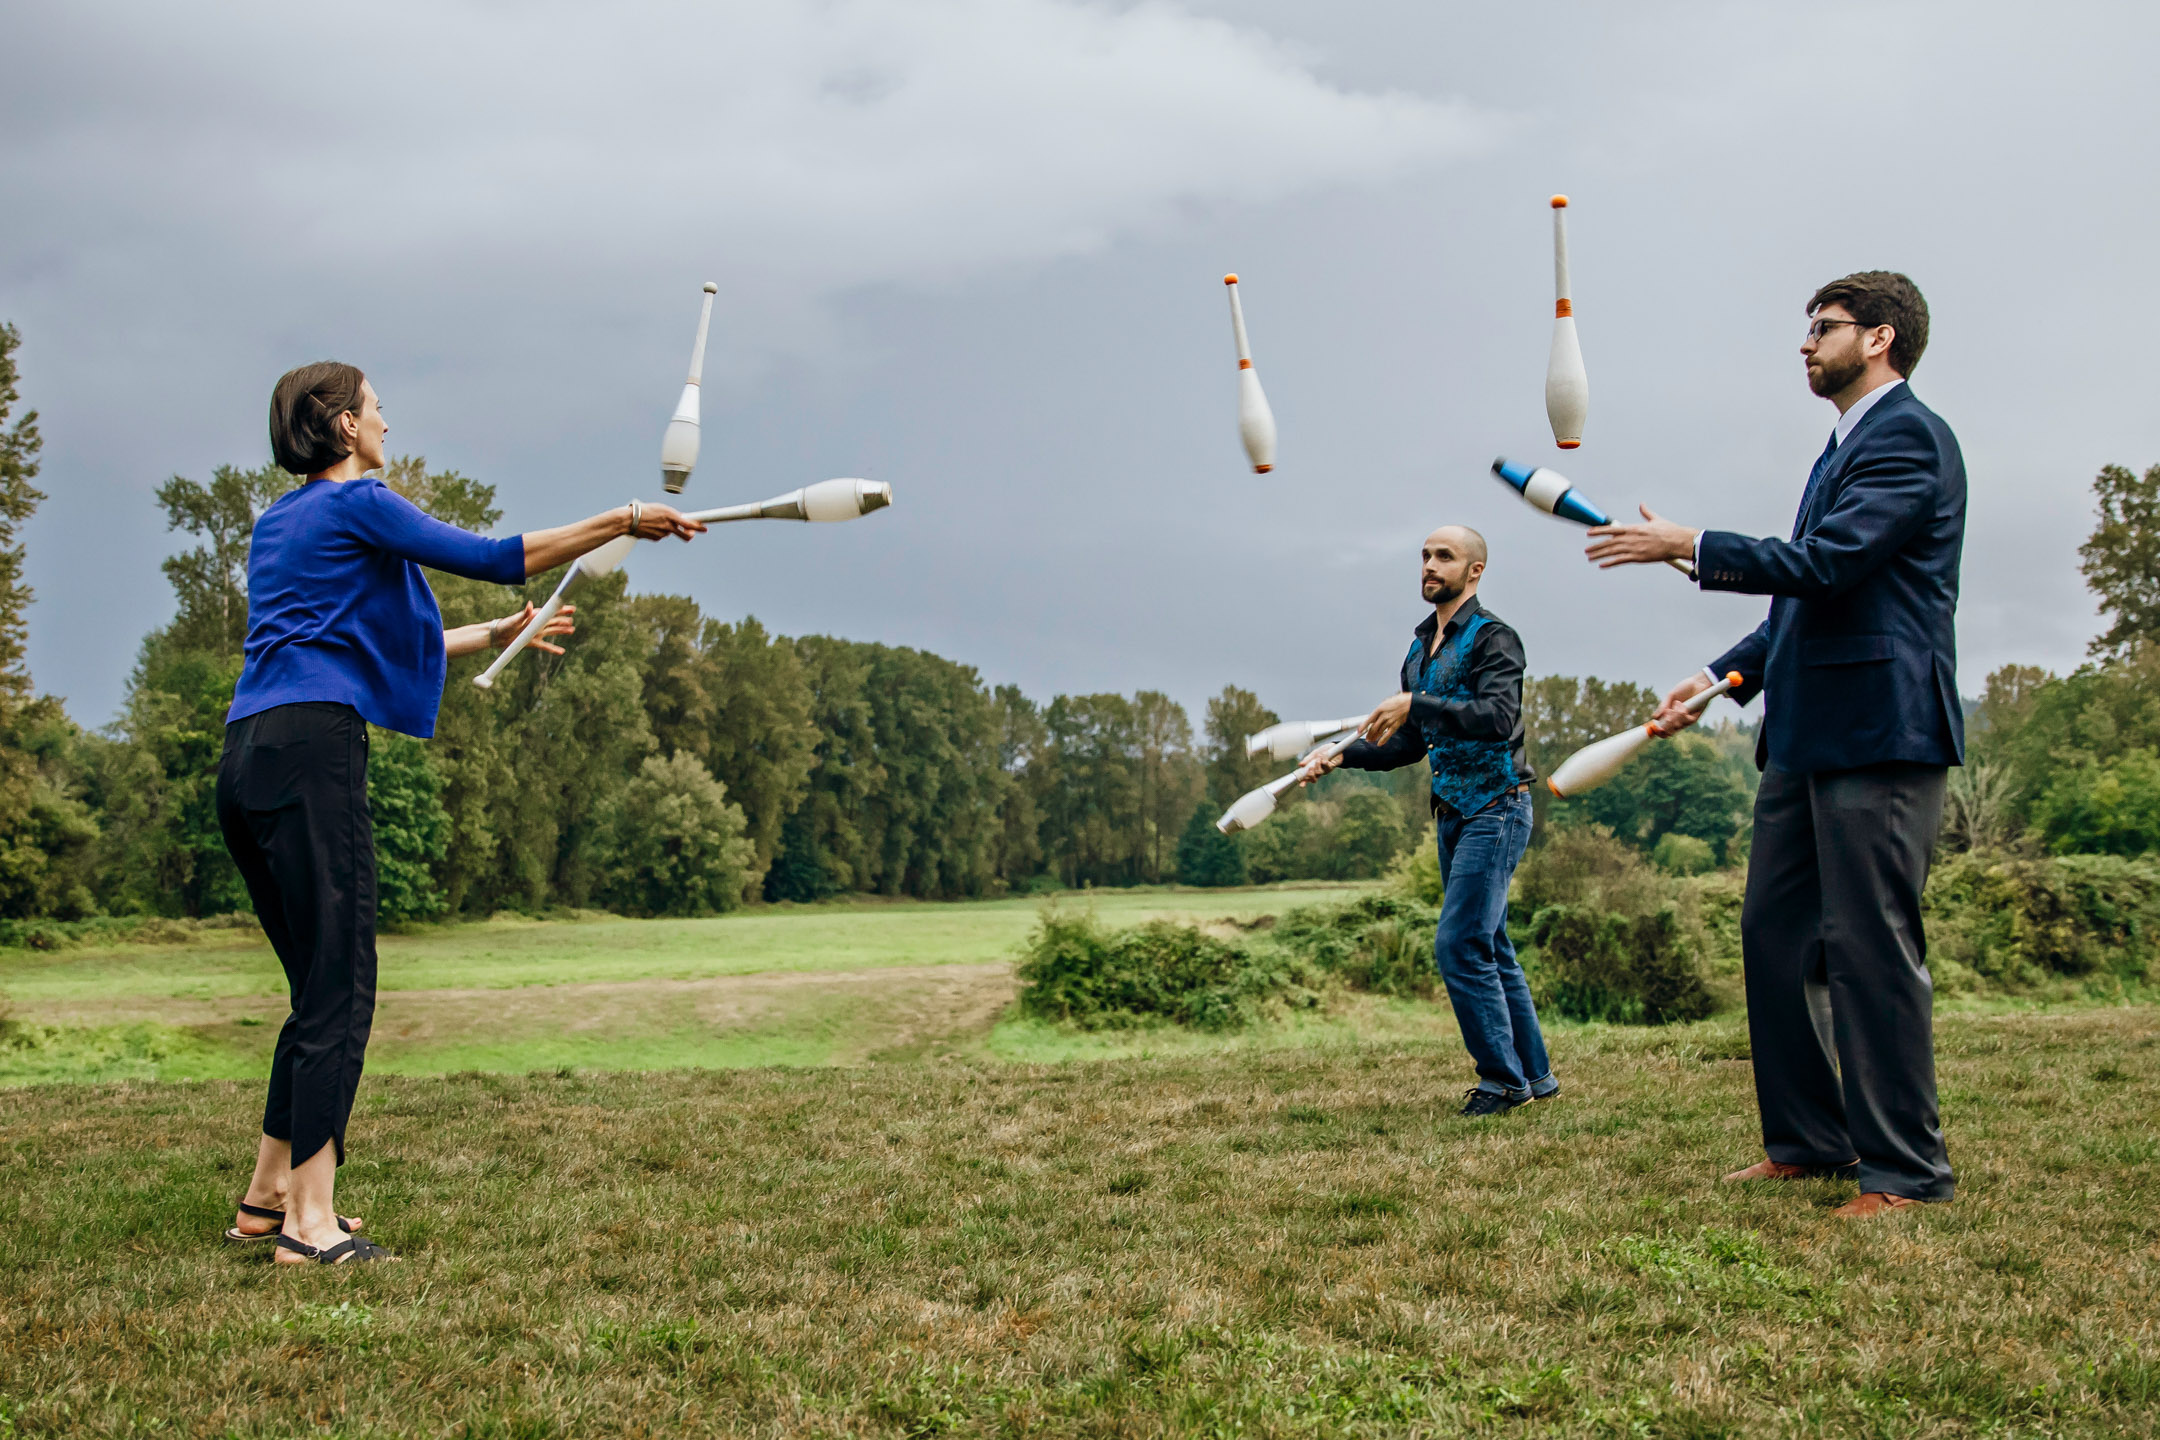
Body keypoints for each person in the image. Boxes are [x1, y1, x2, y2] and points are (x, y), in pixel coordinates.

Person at [219, 361, 706, 1264]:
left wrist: (494, 635)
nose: (385, 425)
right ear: (340, 429)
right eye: (374, 410)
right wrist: (623, 519)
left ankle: (264, 1198)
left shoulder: (278, 524)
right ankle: (309, 1226)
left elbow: (350, 643)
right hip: (313, 754)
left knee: (311, 989)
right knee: (341, 988)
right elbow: (493, 556)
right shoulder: (358, 503)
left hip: (248, 758)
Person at [1583, 271, 1963, 1218]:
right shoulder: (1844, 446)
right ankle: (1810, 1139)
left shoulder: (1909, 437)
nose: (1805, 344)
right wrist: (1722, 678)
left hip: (1880, 729)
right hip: (1804, 732)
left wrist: (1691, 541)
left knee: (1870, 947)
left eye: (1823, 329)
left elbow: (1832, 566)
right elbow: (1806, 599)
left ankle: (1906, 1173)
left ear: (1878, 340)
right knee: (1775, 934)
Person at [1300, 525, 1555, 1116]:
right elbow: (1409, 744)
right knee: (1491, 943)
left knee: (1459, 944)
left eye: (1445, 556)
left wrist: (1415, 703)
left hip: (1498, 805)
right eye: (1424, 556)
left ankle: (1501, 1082)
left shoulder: (1497, 639)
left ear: (1475, 571)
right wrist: (1342, 755)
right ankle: (1534, 1076)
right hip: (1452, 814)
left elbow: (1496, 717)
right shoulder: (1418, 650)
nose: (1430, 565)